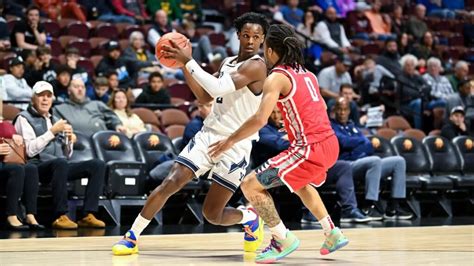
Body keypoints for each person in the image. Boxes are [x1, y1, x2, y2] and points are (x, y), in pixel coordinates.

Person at [112, 12, 270, 256]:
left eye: (256, 37)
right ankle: (131, 236)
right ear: (238, 35)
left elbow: (217, 86)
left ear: (262, 41)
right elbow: (206, 96)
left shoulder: (258, 66)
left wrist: (189, 60)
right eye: (246, 35)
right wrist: (184, 65)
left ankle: (248, 217)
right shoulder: (228, 62)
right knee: (170, 182)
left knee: (212, 215)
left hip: (236, 144)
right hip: (209, 135)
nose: (250, 41)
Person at [208, 24, 349, 263]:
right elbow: (322, 108)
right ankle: (331, 232)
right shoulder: (308, 74)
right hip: (330, 143)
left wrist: (229, 141)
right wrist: (296, 122)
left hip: (308, 148)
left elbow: (260, 119)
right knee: (301, 184)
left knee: (250, 185)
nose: (263, 54)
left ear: (272, 50)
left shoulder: (276, 77)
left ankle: (281, 237)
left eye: (264, 50)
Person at [14, 81, 107, 229]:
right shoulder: (24, 118)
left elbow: (67, 154)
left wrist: (69, 141)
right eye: (41, 96)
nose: (45, 99)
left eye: (48, 96)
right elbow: (29, 150)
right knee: (60, 163)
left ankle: (88, 214)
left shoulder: (55, 120)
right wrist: (52, 132)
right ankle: (60, 216)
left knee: (97, 164)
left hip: (58, 166)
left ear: (52, 99)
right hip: (36, 167)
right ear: (33, 98)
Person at [331, 98, 413, 221]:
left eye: (345, 109)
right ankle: (370, 205)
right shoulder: (331, 126)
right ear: (334, 110)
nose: (342, 113)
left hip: (364, 162)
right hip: (348, 165)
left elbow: (369, 147)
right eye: (339, 109)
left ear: (349, 111)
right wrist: (361, 142)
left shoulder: (353, 126)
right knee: (374, 161)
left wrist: (359, 144)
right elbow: (343, 142)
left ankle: (394, 206)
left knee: (398, 161)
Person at [0, 120, 43, 230]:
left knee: (31, 168)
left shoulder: (5, 124)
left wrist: (15, 137)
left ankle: (30, 214)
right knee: (17, 169)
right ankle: (11, 215)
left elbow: (7, 131)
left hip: (5, 164)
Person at [53, 78, 126, 137]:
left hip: (102, 144)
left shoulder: (97, 104)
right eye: (76, 87)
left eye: (82, 87)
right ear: (69, 91)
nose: (80, 89)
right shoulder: (59, 109)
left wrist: (117, 125)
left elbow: (112, 117)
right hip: (76, 147)